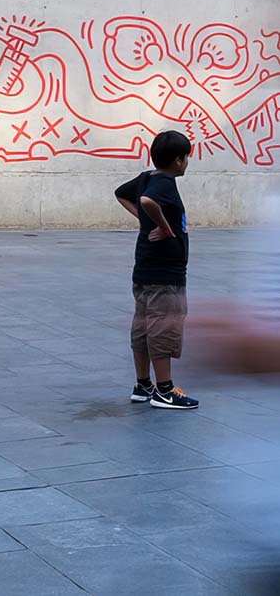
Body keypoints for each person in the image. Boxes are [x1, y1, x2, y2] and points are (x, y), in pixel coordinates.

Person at [115, 130, 199, 409]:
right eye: (186, 157)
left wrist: (146, 220)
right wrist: (163, 227)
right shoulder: (164, 182)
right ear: (178, 161)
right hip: (165, 274)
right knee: (163, 326)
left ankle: (142, 385)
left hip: (145, 271)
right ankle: (164, 390)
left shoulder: (147, 177)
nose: (187, 162)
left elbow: (123, 194)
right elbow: (149, 202)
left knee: (142, 325)